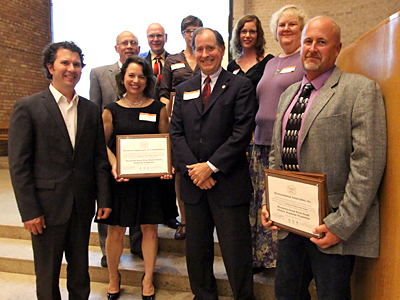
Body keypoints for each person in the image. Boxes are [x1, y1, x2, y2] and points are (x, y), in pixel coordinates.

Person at [262, 16, 387, 299]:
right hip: (291, 223)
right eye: (308, 41)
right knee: (286, 293)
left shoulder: (360, 91)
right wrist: (272, 202)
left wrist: (340, 225)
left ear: (337, 48)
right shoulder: (289, 94)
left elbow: (367, 166)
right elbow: (275, 154)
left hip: (331, 228)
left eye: (321, 42)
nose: (313, 48)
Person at [8, 41, 112, 300]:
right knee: (47, 275)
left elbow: (99, 159)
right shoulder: (28, 107)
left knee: (80, 274)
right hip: (46, 208)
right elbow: (19, 165)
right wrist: (30, 210)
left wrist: (105, 198)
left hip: (81, 205)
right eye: (65, 63)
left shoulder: (90, 109)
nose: (72, 69)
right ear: (50, 67)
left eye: (76, 64)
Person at [170, 27, 256, 300]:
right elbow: (176, 133)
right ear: (194, 52)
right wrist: (195, 170)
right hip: (194, 186)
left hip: (228, 183)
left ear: (222, 50)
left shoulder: (241, 86)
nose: (205, 54)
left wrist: (211, 166)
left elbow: (242, 132)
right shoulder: (183, 90)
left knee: (235, 251)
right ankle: (204, 296)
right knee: (197, 250)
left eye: (211, 48)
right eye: (200, 49)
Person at [100, 55, 172, 300]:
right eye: (131, 75)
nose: (136, 80)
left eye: (141, 76)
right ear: (123, 79)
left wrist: (166, 165)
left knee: (149, 229)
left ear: (147, 80)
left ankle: (148, 279)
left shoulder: (158, 109)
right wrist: (114, 164)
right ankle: (113, 277)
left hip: (151, 181)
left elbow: (166, 142)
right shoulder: (110, 110)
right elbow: (101, 143)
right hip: (121, 181)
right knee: (116, 232)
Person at [250, 5, 306, 272]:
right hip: (259, 142)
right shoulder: (271, 62)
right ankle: (262, 257)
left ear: (301, 28)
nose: (286, 29)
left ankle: (283, 263)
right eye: (282, 25)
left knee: (281, 201)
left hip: (286, 144)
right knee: (261, 201)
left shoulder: (305, 58)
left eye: (292, 24)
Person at [89, 30, 143, 267]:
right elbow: (93, 110)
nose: (129, 46)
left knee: (139, 196)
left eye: (133, 42)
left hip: (139, 150)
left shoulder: (143, 73)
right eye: (125, 42)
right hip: (108, 149)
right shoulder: (99, 73)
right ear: (116, 47)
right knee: (108, 201)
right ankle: (106, 250)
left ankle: (139, 244)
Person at [159, 15, 203, 240]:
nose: (191, 34)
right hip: (180, 120)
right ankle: (184, 220)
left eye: (196, 30)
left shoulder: (206, 56)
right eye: (188, 31)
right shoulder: (172, 60)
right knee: (181, 171)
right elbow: (163, 92)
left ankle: (203, 218)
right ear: (182, 34)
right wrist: (168, 113)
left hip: (205, 122)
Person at [139, 24, 179, 231]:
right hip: (144, 120)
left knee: (168, 168)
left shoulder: (174, 61)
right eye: (151, 36)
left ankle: (170, 214)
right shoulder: (140, 63)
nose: (155, 39)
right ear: (147, 38)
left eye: (159, 36)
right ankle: (151, 211)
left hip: (169, 120)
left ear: (165, 37)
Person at [228, 14, 273, 98]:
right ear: (238, 34)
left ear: (258, 35)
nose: (247, 35)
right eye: (244, 31)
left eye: (252, 31)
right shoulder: (232, 66)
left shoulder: (269, 62)